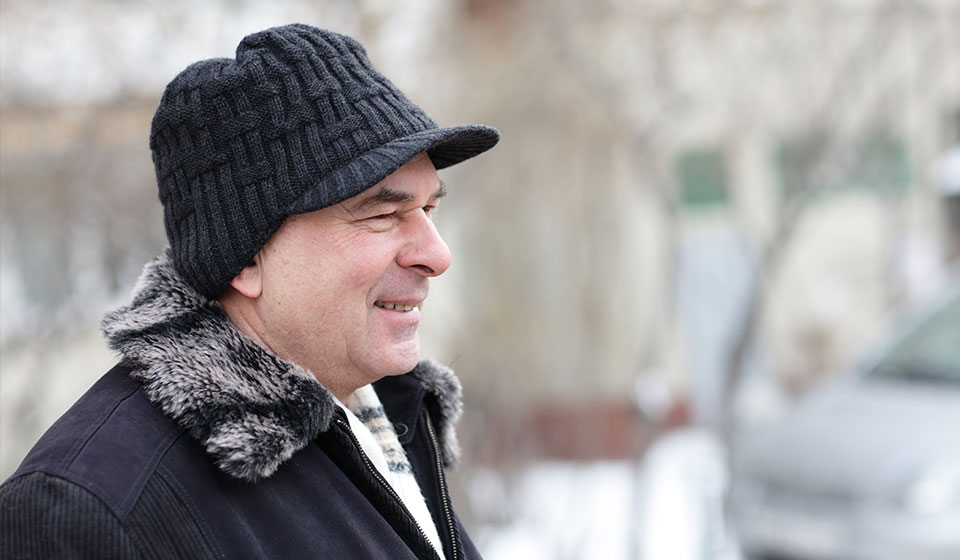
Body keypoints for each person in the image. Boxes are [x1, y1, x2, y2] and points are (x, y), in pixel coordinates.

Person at [0, 23, 499, 560]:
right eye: (383, 214)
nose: (437, 254)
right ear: (244, 257)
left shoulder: (388, 417)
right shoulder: (95, 510)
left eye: (428, 209)